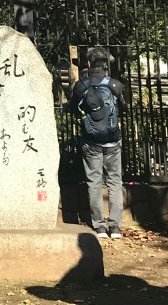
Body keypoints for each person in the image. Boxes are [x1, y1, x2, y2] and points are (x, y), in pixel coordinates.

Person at [69, 45, 126, 239]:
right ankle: (115, 227)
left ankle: (99, 226)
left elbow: (73, 110)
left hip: (90, 141)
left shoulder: (81, 86)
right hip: (113, 141)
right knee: (114, 182)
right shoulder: (115, 85)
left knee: (94, 182)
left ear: (88, 63)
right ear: (106, 65)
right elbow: (125, 108)